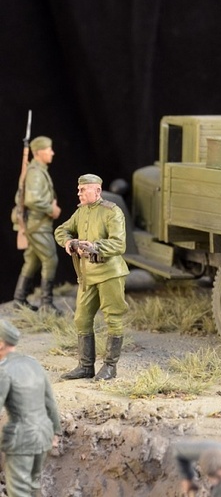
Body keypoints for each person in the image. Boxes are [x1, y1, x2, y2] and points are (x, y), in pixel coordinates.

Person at [54, 174, 129, 381]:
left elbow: (119, 244)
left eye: (83, 189)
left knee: (113, 318)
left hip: (110, 274)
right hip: (87, 276)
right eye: (78, 189)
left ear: (97, 190)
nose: (78, 193)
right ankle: (86, 366)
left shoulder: (112, 211)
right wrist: (69, 242)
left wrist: (95, 246)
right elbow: (61, 230)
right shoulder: (81, 212)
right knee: (82, 318)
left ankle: (110, 367)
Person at [0, 319, 61, 497]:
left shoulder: (4, 370)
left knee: (18, 489)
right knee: (33, 484)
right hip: (43, 435)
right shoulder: (33, 363)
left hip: (22, 439)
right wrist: (55, 432)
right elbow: (50, 401)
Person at [13, 136, 62, 313]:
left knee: (32, 261)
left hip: (36, 224)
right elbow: (32, 199)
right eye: (49, 149)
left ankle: (19, 300)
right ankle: (46, 304)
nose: (52, 153)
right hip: (37, 225)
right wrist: (51, 209)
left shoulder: (38, 170)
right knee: (50, 259)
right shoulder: (35, 172)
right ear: (39, 152)